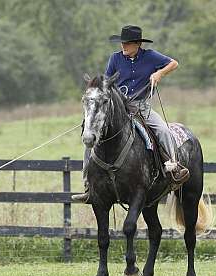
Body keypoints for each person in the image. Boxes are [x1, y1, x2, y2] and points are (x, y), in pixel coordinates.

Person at [72, 25, 189, 203]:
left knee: (163, 130)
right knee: (91, 138)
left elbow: (174, 63)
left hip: (142, 107)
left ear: (137, 44)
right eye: (122, 43)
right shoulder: (115, 59)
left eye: (126, 43)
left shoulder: (150, 56)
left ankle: (173, 170)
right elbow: (106, 84)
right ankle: (89, 185)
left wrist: (159, 73)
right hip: (119, 109)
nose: (123, 46)